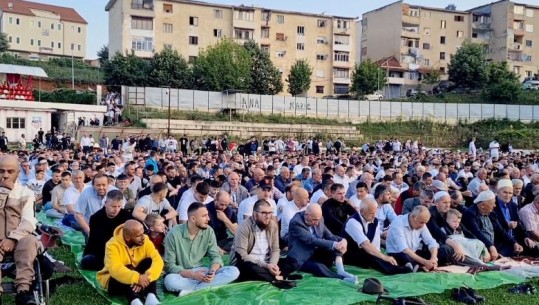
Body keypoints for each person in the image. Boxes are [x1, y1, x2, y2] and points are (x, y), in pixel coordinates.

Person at [163, 202, 239, 296]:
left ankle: (193, 290)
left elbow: (215, 256)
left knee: (234, 271)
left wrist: (212, 271)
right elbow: (169, 265)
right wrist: (193, 275)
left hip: (202, 271)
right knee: (169, 281)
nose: (208, 219)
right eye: (204, 216)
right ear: (193, 219)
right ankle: (204, 287)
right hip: (182, 274)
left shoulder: (209, 231)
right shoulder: (173, 234)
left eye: (207, 215)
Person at [0, 155, 40, 304]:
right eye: (1, 171)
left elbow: (29, 220)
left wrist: (12, 238)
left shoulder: (26, 193)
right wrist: (3, 194)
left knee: (30, 241)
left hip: (19, 239)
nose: (5, 175)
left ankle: (23, 291)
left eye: (10, 171)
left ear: (18, 173)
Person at [230, 199, 295, 289]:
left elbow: (276, 249)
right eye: (264, 213)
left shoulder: (273, 226)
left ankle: (273, 275)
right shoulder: (244, 227)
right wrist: (266, 266)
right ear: (255, 214)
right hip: (250, 262)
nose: (268, 216)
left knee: (292, 262)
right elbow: (242, 255)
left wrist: (273, 265)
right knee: (249, 268)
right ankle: (276, 280)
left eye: (269, 213)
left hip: (266, 262)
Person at [286, 204, 358, 284]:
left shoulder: (319, 219)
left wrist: (343, 241)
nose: (316, 223)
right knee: (319, 267)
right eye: (314, 220)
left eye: (318, 220)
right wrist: (335, 244)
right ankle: (341, 278)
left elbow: (330, 236)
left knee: (338, 245)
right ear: (306, 215)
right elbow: (311, 240)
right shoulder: (296, 222)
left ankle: (341, 270)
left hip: (317, 252)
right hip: (302, 257)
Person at [97, 220, 163, 305]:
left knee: (149, 261)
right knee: (124, 269)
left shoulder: (145, 239)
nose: (143, 237)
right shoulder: (112, 245)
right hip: (114, 282)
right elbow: (115, 269)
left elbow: (158, 260)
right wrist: (137, 278)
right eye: (139, 236)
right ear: (128, 237)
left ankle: (151, 296)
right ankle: (134, 300)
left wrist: (145, 278)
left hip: (139, 276)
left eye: (143, 233)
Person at [343, 198, 414, 274]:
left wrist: (380, 256)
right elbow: (365, 245)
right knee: (371, 255)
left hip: (366, 251)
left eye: (375, 213)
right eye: (371, 213)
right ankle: (393, 270)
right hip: (350, 254)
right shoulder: (353, 222)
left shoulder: (375, 220)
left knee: (390, 252)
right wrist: (384, 257)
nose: (374, 216)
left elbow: (375, 244)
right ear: (362, 211)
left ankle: (407, 264)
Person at [461, 190, 524, 259]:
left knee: (512, 248)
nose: (495, 205)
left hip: (493, 245)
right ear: (482, 205)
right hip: (479, 246)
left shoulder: (491, 213)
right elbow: (477, 233)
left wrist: (514, 243)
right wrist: (490, 246)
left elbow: (501, 230)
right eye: (492, 203)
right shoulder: (470, 214)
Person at [81, 190, 132, 271]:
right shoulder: (96, 218)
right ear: (105, 203)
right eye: (113, 206)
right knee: (87, 261)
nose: (116, 210)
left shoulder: (127, 217)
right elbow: (92, 240)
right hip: (102, 251)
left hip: (121, 251)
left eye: (119, 206)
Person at [386, 206, 440, 272]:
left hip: (414, 252)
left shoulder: (421, 221)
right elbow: (404, 249)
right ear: (413, 217)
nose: (423, 226)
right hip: (398, 253)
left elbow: (430, 241)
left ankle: (423, 266)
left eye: (425, 223)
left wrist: (433, 258)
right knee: (404, 257)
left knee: (439, 251)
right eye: (421, 222)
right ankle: (419, 267)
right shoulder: (398, 223)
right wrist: (424, 262)